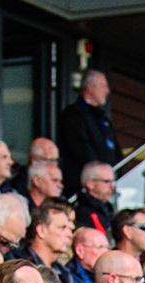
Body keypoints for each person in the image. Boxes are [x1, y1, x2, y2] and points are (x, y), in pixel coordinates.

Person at [56, 68, 116, 196]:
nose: (107, 91)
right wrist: (99, 174)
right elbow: (81, 150)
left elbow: (116, 151)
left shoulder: (103, 119)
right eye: (104, 86)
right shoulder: (73, 115)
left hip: (104, 185)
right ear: (89, 87)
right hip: (81, 187)